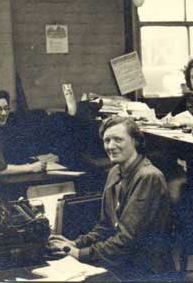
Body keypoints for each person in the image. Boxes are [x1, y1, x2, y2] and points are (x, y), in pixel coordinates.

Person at [49, 116, 173, 280]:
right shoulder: (115, 171)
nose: (111, 146)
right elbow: (105, 226)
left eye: (118, 139)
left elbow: (127, 239)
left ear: (135, 141)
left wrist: (79, 253)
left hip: (146, 269)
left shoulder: (149, 177)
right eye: (107, 140)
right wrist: (76, 243)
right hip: (121, 260)